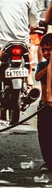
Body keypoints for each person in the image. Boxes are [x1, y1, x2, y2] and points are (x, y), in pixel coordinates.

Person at [35, 34, 52, 172]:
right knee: (45, 136)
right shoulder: (42, 64)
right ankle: (48, 161)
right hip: (44, 106)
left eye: (49, 50)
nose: (46, 53)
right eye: (43, 50)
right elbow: (38, 76)